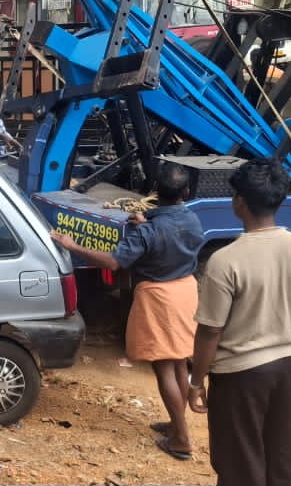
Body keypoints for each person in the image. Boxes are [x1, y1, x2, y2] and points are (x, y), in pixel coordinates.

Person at [49, 163, 204, 460]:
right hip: (186, 291)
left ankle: (182, 438)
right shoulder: (192, 220)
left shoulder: (147, 232)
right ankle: (175, 425)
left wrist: (72, 244)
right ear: (186, 192)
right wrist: (145, 222)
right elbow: (169, 228)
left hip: (159, 297)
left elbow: (112, 263)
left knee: (164, 367)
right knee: (180, 362)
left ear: (156, 191)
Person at [188, 157, 291, 486]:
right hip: (287, 366)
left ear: (239, 203)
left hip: (239, 376)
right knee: (279, 458)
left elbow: (210, 330)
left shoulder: (225, 260)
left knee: (239, 464)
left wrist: (196, 381)